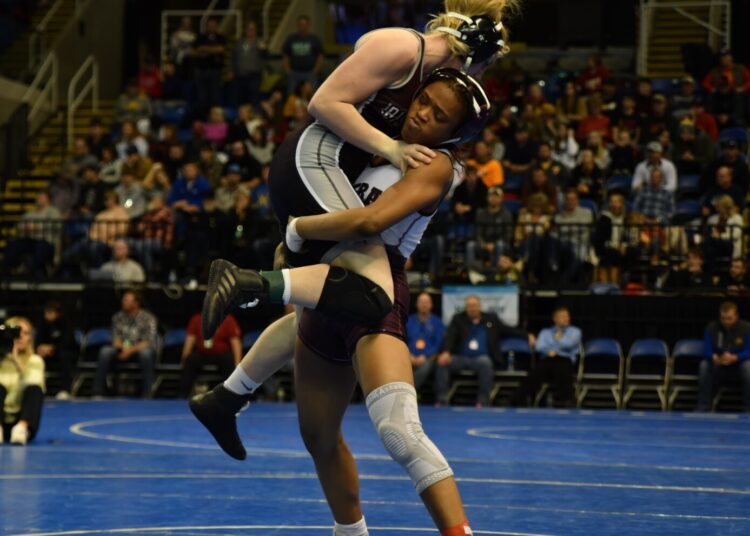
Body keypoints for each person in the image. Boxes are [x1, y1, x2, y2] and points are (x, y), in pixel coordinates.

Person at [194, 64, 504, 536]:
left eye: (438, 116)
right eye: (423, 101)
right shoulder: (378, 138)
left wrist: (297, 230)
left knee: (400, 433)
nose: (422, 115)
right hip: (327, 289)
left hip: (369, 293)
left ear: (454, 133)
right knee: (318, 436)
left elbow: (369, 221)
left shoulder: (437, 165)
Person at [435, 295, 533, 407]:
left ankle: (482, 401)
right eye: (469, 306)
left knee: (486, 363)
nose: (472, 308)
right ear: (466, 307)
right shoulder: (458, 319)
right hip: (461, 357)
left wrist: (526, 336)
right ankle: (442, 399)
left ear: (479, 306)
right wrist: (446, 352)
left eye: (474, 306)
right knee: (442, 363)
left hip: (481, 358)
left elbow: (508, 330)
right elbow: (450, 336)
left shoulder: (491, 319)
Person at [93, 289, 157, 398]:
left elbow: (148, 341)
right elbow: (115, 339)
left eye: (127, 300)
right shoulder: (117, 317)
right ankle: (98, 391)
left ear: (136, 303)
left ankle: (147, 392)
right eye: (123, 300)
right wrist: (123, 348)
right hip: (121, 349)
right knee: (105, 351)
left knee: (146, 353)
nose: (123, 302)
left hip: (139, 350)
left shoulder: (148, 318)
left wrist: (130, 350)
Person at [513, 306, 580, 407]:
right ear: (555, 319)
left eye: (567, 316)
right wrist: (552, 349)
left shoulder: (575, 331)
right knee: (534, 374)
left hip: (565, 359)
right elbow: (539, 346)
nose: (565, 319)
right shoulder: (545, 332)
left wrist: (552, 349)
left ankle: (568, 401)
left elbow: (569, 343)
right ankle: (517, 399)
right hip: (547, 359)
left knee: (563, 371)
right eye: (562, 316)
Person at [697, 301, 750, 412]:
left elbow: (748, 351)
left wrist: (735, 357)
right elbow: (706, 351)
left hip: (738, 365)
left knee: (748, 367)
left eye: (729, 318)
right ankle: (703, 406)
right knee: (704, 365)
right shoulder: (711, 328)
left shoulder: (746, 328)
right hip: (719, 366)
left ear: (736, 316)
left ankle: (748, 408)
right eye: (723, 318)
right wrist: (715, 358)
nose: (726, 321)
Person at [0, 317, 45, 445]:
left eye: (25, 333)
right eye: (15, 334)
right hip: (2, 418)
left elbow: (32, 383)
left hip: (21, 420)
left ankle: (21, 428)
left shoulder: (35, 360)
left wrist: (16, 361)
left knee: (34, 389)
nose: (20, 337)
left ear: (30, 338)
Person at [180, 313, 242, 398]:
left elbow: (235, 342)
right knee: (190, 360)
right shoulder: (197, 319)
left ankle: (231, 395)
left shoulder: (228, 319)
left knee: (228, 361)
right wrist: (184, 359)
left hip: (221, 354)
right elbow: (189, 341)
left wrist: (237, 363)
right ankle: (182, 395)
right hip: (202, 354)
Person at [1, 191, 61, 278]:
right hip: (29, 240)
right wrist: (26, 228)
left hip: (45, 241)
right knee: (13, 244)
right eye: (38, 196)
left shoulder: (53, 212)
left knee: (41, 248)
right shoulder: (30, 213)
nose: (39, 198)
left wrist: (37, 227)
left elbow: (56, 226)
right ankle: (7, 269)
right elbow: (19, 225)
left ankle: (28, 268)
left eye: (42, 197)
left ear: (48, 199)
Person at [35, 301, 76, 399]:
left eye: (50, 313)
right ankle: (37, 389)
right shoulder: (43, 323)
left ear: (57, 313)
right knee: (35, 358)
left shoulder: (65, 322)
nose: (47, 315)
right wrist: (40, 348)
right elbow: (37, 340)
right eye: (46, 313)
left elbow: (68, 342)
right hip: (47, 354)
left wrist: (53, 348)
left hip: (64, 352)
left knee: (65, 357)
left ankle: (65, 390)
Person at [466, 186, 512, 270]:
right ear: (487, 198)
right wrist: (483, 243)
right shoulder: (480, 213)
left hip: (500, 244)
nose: (494, 198)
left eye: (496, 196)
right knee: (470, 245)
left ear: (501, 199)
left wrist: (494, 244)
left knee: (500, 245)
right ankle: (472, 272)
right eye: (491, 196)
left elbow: (507, 235)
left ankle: (495, 271)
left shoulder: (506, 215)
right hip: (483, 244)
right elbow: (477, 232)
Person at [406, 292, 444, 391]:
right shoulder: (408, 321)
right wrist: (409, 355)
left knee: (427, 365)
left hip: (430, 357)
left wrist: (425, 355)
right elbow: (402, 340)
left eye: (426, 302)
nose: (424, 305)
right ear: (416, 304)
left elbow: (438, 344)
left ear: (431, 305)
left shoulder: (437, 322)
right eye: (421, 302)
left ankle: (408, 390)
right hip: (409, 356)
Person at [282, 15, 324, 96]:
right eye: (300, 24)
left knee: (313, 94)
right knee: (290, 93)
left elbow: (320, 56)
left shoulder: (314, 39)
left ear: (308, 25)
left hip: (310, 72)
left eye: (304, 24)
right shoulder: (291, 39)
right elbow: (285, 55)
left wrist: (316, 70)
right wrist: (287, 70)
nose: (302, 27)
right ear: (298, 25)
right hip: (294, 72)